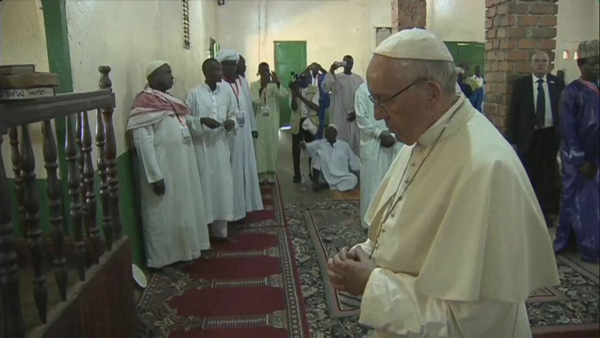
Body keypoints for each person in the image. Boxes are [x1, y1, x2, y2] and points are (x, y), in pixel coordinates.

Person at [327, 29, 559, 337]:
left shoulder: (486, 169)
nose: (379, 115)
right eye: (374, 100)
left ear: (431, 94)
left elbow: (470, 322)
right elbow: (401, 229)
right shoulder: (423, 134)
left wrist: (372, 284)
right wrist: (364, 255)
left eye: (384, 101)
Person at [127, 61, 210, 268]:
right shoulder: (144, 103)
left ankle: (185, 252)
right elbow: (143, 143)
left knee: (181, 210)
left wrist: (200, 121)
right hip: (163, 170)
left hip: (181, 167)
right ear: (153, 76)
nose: (172, 76)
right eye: (167, 72)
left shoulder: (170, 101)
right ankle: (163, 260)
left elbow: (184, 122)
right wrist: (155, 176)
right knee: (163, 214)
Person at [507, 51, 566, 227]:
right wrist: (511, 141)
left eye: (544, 61)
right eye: (537, 61)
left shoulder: (557, 83)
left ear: (549, 63)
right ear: (531, 63)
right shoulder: (521, 85)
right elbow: (513, 113)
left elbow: (563, 111)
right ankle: (527, 212)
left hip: (549, 136)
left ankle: (545, 213)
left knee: (547, 176)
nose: (541, 64)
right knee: (529, 174)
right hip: (528, 137)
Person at [554, 39, 599, 263]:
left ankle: (590, 244)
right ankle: (563, 241)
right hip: (576, 158)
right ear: (581, 65)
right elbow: (568, 129)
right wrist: (580, 159)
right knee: (571, 198)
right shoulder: (571, 92)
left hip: (596, 157)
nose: (597, 68)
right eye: (593, 64)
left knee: (591, 204)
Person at [185, 58, 237, 240]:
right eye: (216, 70)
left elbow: (233, 113)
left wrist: (232, 122)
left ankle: (221, 233)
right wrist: (201, 121)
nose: (220, 73)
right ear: (205, 72)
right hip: (202, 148)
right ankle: (203, 236)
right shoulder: (193, 94)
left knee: (222, 187)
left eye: (221, 70)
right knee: (204, 188)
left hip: (221, 146)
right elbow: (185, 120)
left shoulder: (227, 92)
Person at [217, 49, 263, 222]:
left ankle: (244, 207)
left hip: (244, 134)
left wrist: (252, 125)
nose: (236, 69)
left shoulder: (240, 82)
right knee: (232, 172)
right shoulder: (220, 85)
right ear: (223, 67)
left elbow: (248, 107)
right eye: (232, 66)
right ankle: (232, 213)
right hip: (230, 136)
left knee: (245, 169)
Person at [355, 82, 402, 229]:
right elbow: (361, 118)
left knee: (391, 183)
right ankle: (368, 225)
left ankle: (386, 224)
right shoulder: (362, 90)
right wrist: (379, 134)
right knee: (370, 185)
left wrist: (393, 134)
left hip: (393, 141)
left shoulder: (393, 87)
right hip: (372, 143)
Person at [250, 62, 289, 184]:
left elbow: (284, 94)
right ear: (259, 72)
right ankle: (261, 173)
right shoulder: (254, 85)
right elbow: (254, 100)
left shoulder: (274, 85)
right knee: (260, 146)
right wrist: (262, 86)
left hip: (272, 119)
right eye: (263, 71)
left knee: (272, 145)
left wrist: (277, 83)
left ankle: (271, 172)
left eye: (267, 71)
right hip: (260, 119)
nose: (265, 73)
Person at [322, 55, 364, 154]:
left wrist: (356, 112)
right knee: (340, 143)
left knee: (355, 144)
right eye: (346, 62)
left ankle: (354, 167)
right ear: (342, 63)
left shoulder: (358, 79)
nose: (348, 65)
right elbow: (325, 87)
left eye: (350, 63)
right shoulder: (336, 78)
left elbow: (363, 99)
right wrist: (331, 71)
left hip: (355, 117)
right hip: (339, 116)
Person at [301, 125, 360, 192]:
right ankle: (316, 182)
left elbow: (353, 160)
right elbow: (309, 146)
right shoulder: (320, 143)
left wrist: (360, 167)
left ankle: (326, 185)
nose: (330, 134)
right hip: (325, 175)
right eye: (328, 133)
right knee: (319, 154)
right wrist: (304, 145)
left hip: (341, 175)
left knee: (353, 179)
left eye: (332, 133)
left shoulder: (344, 145)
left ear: (336, 134)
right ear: (325, 135)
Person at [290, 71, 320, 183]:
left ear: (309, 79)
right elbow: (293, 107)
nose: (303, 80)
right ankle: (297, 175)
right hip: (297, 121)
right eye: (302, 77)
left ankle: (312, 173)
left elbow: (316, 106)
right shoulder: (295, 89)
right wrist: (294, 93)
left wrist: (300, 97)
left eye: (306, 78)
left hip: (310, 121)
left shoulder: (314, 89)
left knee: (311, 148)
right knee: (295, 150)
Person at [307, 62, 330, 139]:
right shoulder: (308, 77)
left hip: (320, 103)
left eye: (316, 68)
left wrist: (322, 69)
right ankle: (311, 138)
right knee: (310, 121)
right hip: (310, 102)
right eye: (313, 68)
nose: (314, 69)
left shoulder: (322, 77)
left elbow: (329, 76)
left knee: (320, 123)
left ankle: (319, 139)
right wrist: (307, 68)